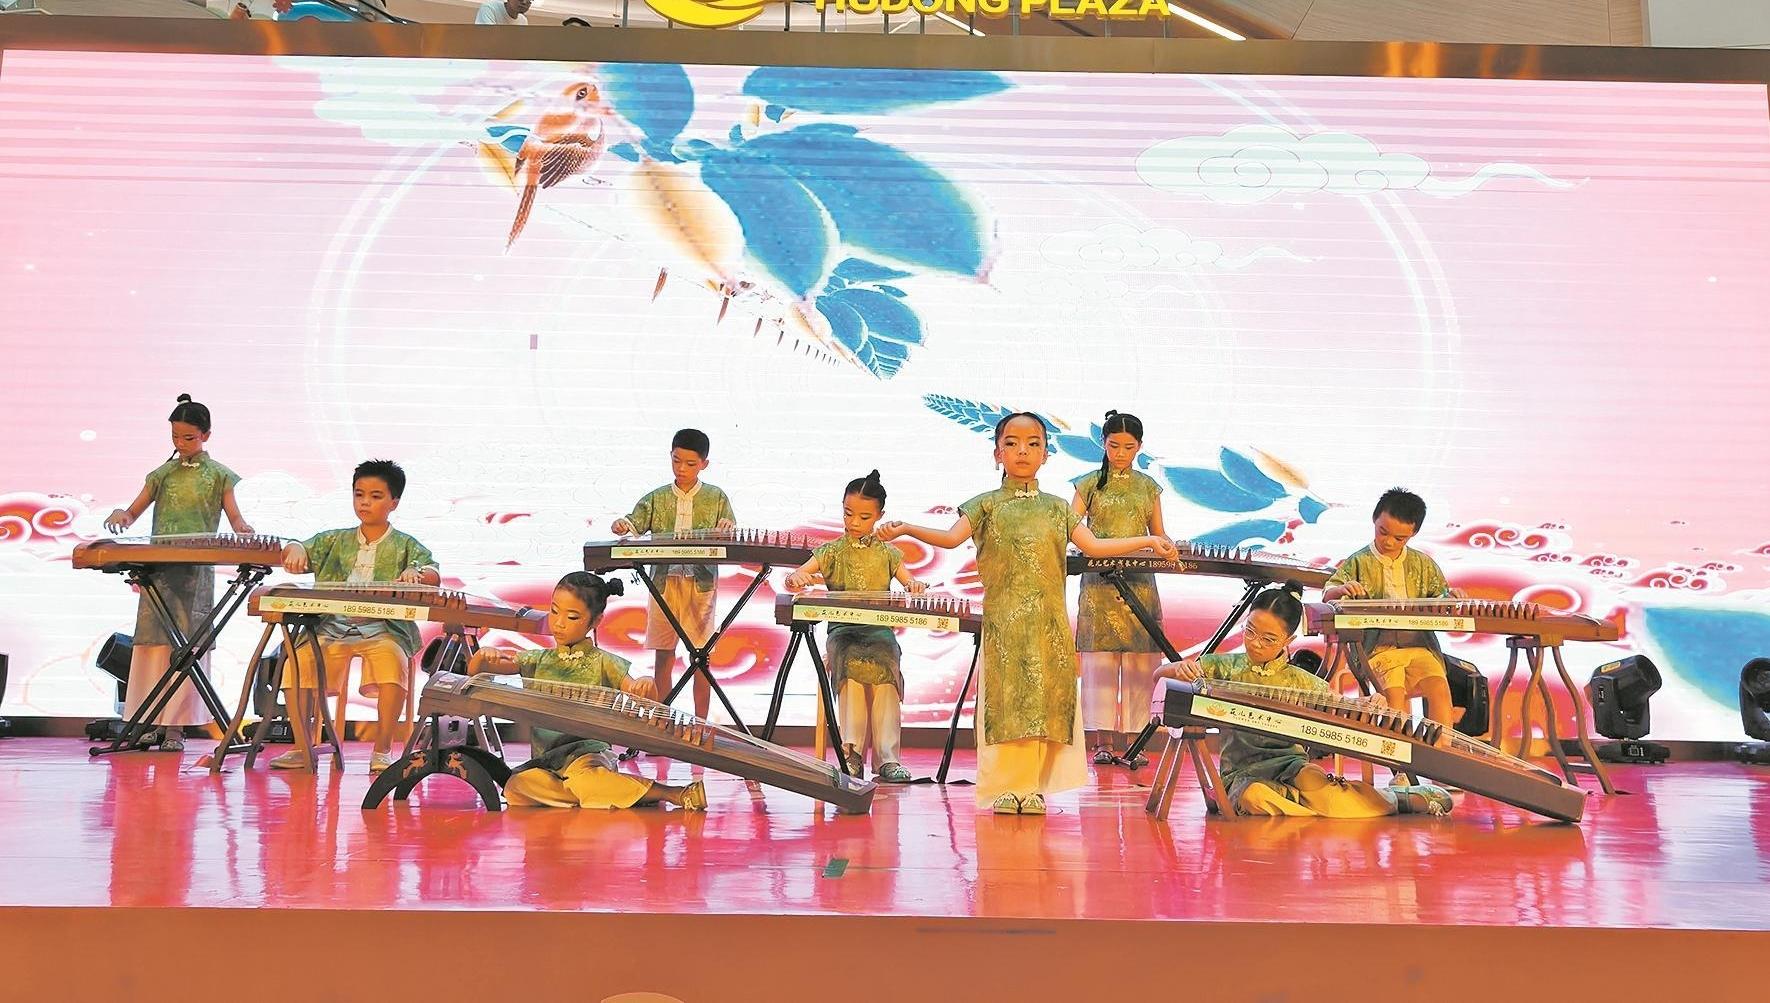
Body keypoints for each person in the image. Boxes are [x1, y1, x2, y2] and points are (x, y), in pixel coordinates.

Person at [878, 412, 1179, 815]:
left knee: (1044, 704)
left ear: (1046, 454)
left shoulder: (1057, 509)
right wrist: (907, 529)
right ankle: (1005, 786)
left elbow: (1094, 546)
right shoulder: (985, 505)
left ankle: (1033, 787)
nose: (1023, 451)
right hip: (1004, 626)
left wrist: (1150, 541)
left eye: (1033, 444)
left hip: (1048, 627)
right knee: (1005, 704)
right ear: (997, 453)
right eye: (1013, 443)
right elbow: (950, 539)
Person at [1153, 583, 1454, 817]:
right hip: (1243, 773)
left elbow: (1343, 708)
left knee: (1313, 781)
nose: (1255, 644)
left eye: (1268, 639)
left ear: (1289, 641)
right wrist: (1179, 669)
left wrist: (1372, 702)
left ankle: (1393, 800)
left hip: (1291, 765)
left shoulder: (1303, 682)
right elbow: (1159, 677)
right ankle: (1337, 805)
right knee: (1256, 797)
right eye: (1250, 631)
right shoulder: (1222, 668)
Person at [469, 572, 707, 810]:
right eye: (554, 611)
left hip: (589, 757)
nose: (559, 623)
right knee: (516, 787)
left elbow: (641, 696)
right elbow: (478, 672)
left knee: (585, 778)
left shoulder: (604, 662)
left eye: (572, 617)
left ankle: (671, 793)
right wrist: (481, 657)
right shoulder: (537, 659)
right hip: (548, 761)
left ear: (595, 621)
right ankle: (595, 793)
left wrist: (646, 684)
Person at [103, 394, 254, 752]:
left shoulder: (219, 475)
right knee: (153, 644)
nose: (182, 443)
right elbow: (133, 512)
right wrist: (121, 515)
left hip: (194, 571)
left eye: (189, 437)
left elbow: (234, 517)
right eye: (176, 437)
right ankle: (148, 723)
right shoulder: (162, 474)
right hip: (160, 569)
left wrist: (243, 528)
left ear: (206, 435)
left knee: (187, 644)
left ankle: (176, 729)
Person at [274, 460, 439, 773]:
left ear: (394, 502)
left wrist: (416, 573)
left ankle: (382, 750)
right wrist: (294, 549)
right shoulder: (335, 539)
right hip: (331, 625)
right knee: (299, 661)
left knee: (392, 660)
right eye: (359, 494)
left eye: (376, 496)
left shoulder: (406, 545)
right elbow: (299, 547)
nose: (365, 502)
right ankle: (302, 747)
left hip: (382, 628)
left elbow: (431, 572)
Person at [784, 470, 927, 784]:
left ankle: (888, 759)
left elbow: (910, 582)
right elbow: (795, 576)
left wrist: (915, 586)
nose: (854, 523)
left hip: (878, 632)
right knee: (850, 663)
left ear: (879, 516)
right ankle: (851, 753)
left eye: (864, 517)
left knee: (886, 662)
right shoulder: (832, 551)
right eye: (848, 514)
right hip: (843, 632)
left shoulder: (888, 553)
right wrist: (797, 578)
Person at [611, 428, 736, 721]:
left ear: (704, 464)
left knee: (701, 656)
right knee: (663, 653)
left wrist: (726, 528)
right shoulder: (657, 497)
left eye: (690, 464)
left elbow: (728, 528)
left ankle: (701, 722)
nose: (682, 469)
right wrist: (622, 525)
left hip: (700, 584)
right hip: (664, 584)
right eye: (676, 461)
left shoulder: (716, 497)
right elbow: (633, 523)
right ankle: (663, 720)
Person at [1070, 410, 1168, 766]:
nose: (1121, 453)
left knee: (1141, 665)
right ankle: (1103, 742)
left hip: (1140, 581)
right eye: (1114, 446)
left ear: (1139, 446)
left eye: (1129, 447)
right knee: (1100, 664)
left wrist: (1167, 546)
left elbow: (1159, 533)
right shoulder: (1087, 484)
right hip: (1099, 582)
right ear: (1104, 443)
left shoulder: (1148, 487)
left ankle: (1134, 744)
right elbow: (1072, 529)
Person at [1323, 488, 1467, 727]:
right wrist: (1342, 589)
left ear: (1413, 533)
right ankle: (1397, 751)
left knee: (1439, 688)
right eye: (1383, 532)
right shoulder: (1359, 561)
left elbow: (1440, 598)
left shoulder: (1423, 563)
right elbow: (1329, 594)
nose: (1389, 542)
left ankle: (1441, 747)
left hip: (1419, 646)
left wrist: (1450, 598)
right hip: (1378, 649)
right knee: (1395, 698)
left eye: (1400, 538)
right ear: (1374, 520)